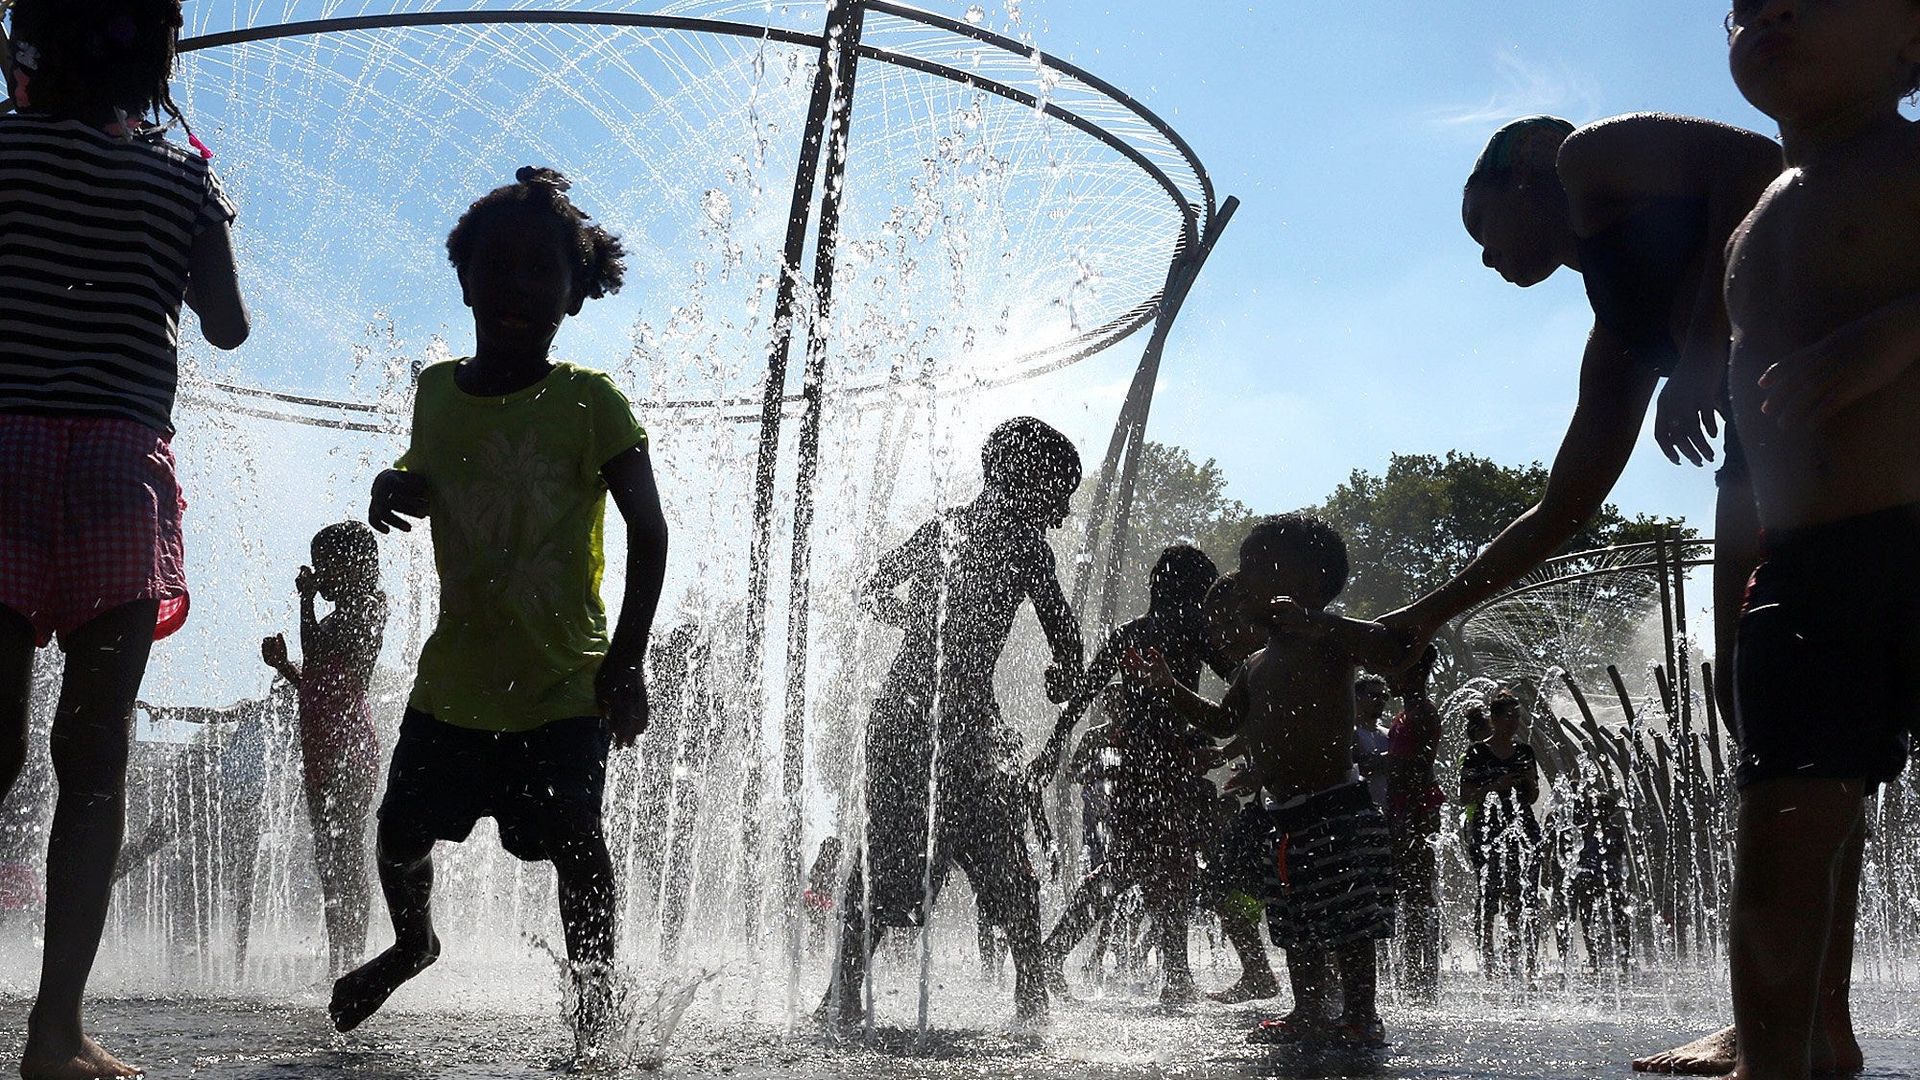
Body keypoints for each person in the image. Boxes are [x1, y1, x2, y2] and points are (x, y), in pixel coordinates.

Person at [1376, 103, 1785, 1075]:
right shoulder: (1619, 334)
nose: (1481, 260)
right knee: (1754, 709)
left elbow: (1757, 161)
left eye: (1481, 229)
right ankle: (1781, 1016)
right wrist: (1421, 615)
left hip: (1842, 409)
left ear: (1524, 180)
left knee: (1777, 714)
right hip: (1773, 456)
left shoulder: (1582, 154)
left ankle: (1777, 1021)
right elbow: (1560, 512)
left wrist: (1700, 348)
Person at [332, 167, 669, 1046]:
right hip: (454, 682)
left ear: (575, 295)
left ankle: (595, 1008)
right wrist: (391, 483)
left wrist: (627, 659)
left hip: (563, 684)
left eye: (541, 272)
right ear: (465, 278)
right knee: (400, 829)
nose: (517, 285)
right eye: (499, 266)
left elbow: (650, 531)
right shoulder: (437, 391)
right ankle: (413, 943)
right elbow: (431, 475)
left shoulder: (591, 404)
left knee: (573, 845)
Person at [1668, 5, 1920, 1076]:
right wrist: (1731, 607)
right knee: (1788, 824)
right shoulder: (1754, 222)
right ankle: (1796, 1044)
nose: (1769, 12)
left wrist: (1894, 334)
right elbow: (1747, 452)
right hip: (1804, 568)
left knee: (1804, 820)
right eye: (1745, 1)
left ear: (1913, 40)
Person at [0, 2, 250, 1075]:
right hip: (116, 473)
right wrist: (205, 212)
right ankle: (54, 1033)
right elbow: (228, 324)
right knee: (92, 765)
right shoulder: (181, 181)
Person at [822, 416, 1084, 1028]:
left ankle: (843, 993)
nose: (1064, 512)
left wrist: (913, 607)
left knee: (891, 855)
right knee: (997, 857)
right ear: (1026, 480)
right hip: (949, 719)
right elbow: (1067, 639)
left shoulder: (949, 526)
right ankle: (1030, 1001)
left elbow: (874, 589)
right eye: (1059, 493)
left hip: (907, 713)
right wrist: (1063, 676)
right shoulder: (1024, 545)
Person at [1158, 515, 1408, 1047]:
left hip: (1337, 807)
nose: (1241, 576)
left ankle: (1362, 1014)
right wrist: (1168, 685)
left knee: (1348, 921)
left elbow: (1391, 649)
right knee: (1295, 921)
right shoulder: (1254, 663)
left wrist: (1317, 621)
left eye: (1253, 566)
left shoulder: (1329, 641)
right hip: (1284, 817)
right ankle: (1309, 1010)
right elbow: (1223, 721)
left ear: (1308, 582)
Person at [1029, 544, 1229, 1004]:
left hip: (1140, 766)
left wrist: (1051, 748)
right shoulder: (1193, 629)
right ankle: (1174, 978)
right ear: (1195, 590)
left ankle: (1057, 954)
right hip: (1164, 764)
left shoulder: (1130, 633)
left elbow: (1080, 697)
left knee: (1138, 867)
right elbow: (1243, 674)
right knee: (1159, 867)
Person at [260, 522, 387, 977]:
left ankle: (352, 960)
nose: (318, 573)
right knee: (329, 860)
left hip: (347, 747)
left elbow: (317, 655)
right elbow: (316, 683)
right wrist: (284, 668)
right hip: (323, 745)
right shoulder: (346, 613)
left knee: (346, 856)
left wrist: (305, 601)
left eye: (324, 564)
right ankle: (342, 961)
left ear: (353, 565)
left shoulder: (368, 608)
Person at [1458, 689, 1542, 980]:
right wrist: (1496, 786)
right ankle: (1487, 954)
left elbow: (1532, 796)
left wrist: (1529, 785)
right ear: (1493, 719)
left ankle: (1520, 954)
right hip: (1487, 830)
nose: (1515, 722)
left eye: (1518, 717)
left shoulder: (1524, 751)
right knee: (1489, 892)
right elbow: (1465, 796)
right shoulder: (1477, 752)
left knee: (1523, 893)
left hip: (1523, 828)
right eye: (1509, 717)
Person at [1381, 645, 1444, 1003]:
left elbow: (1417, 768)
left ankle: (1422, 976)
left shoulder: (1422, 712)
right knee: (1407, 892)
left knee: (1418, 892)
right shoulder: (1408, 711)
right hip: (1404, 809)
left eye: (1396, 669)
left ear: (1414, 673)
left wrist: (1406, 821)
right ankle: (1411, 972)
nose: (1390, 676)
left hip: (1416, 811)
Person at [1353, 675, 1392, 810]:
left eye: (1384, 697)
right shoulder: (1349, 733)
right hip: (1361, 812)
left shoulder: (1389, 734)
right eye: (1374, 695)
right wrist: (1392, 758)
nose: (1381, 701)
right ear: (1357, 697)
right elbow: (1354, 766)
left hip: (1389, 812)